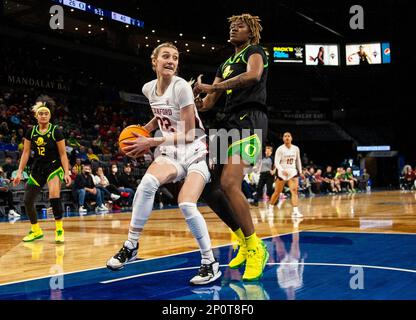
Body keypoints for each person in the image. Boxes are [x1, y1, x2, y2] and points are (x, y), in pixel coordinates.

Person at [106, 42, 221, 285]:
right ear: (154, 61)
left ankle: (209, 262)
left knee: (186, 204)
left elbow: (190, 133)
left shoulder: (182, 88)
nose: (171, 61)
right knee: (147, 183)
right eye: (166, 56)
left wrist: (151, 141)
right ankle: (131, 245)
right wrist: (142, 132)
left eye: (175, 58)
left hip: (196, 149)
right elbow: (162, 115)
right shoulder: (148, 89)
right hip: (171, 149)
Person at [193, 13, 269, 281]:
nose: (234, 28)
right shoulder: (224, 64)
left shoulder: (255, 51)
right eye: (232, 25)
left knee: (229, 183)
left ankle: (255, 247)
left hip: (250, 120)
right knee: (209, 188)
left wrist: (214, 87)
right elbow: (209, 103)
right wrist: (196, 97)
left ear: (251, 32)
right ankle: (243, 241)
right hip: (226, 124)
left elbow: (252, 76)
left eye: (240, 26)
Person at [13, 96, 71, 243]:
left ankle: (59, 229)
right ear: (36, 116)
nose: (43, 115)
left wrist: (66, 172)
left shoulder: (56, 131)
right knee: (27, 200)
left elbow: (63, 154)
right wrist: (19, 171)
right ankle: (36, 230)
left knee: (54, 196)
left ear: (50, 116)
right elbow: (26, 153)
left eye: (46, 113)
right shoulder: (31, 132)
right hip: (37, 168)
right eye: (41, 113)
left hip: (53, 166)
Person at [268, 132, 303, 217]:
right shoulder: (280, 149)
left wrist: (300, 171)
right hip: (282, 171)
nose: (287, 137)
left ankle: (295, 211)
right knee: (277, 192)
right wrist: (282, 170)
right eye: (285, 136)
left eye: (288, 136)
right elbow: (276, 162)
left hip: (292, 171)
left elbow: (298, 160)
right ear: (283, 139)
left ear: (291, 138)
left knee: (294, 191)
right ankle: (270, 208)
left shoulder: (296, 148)